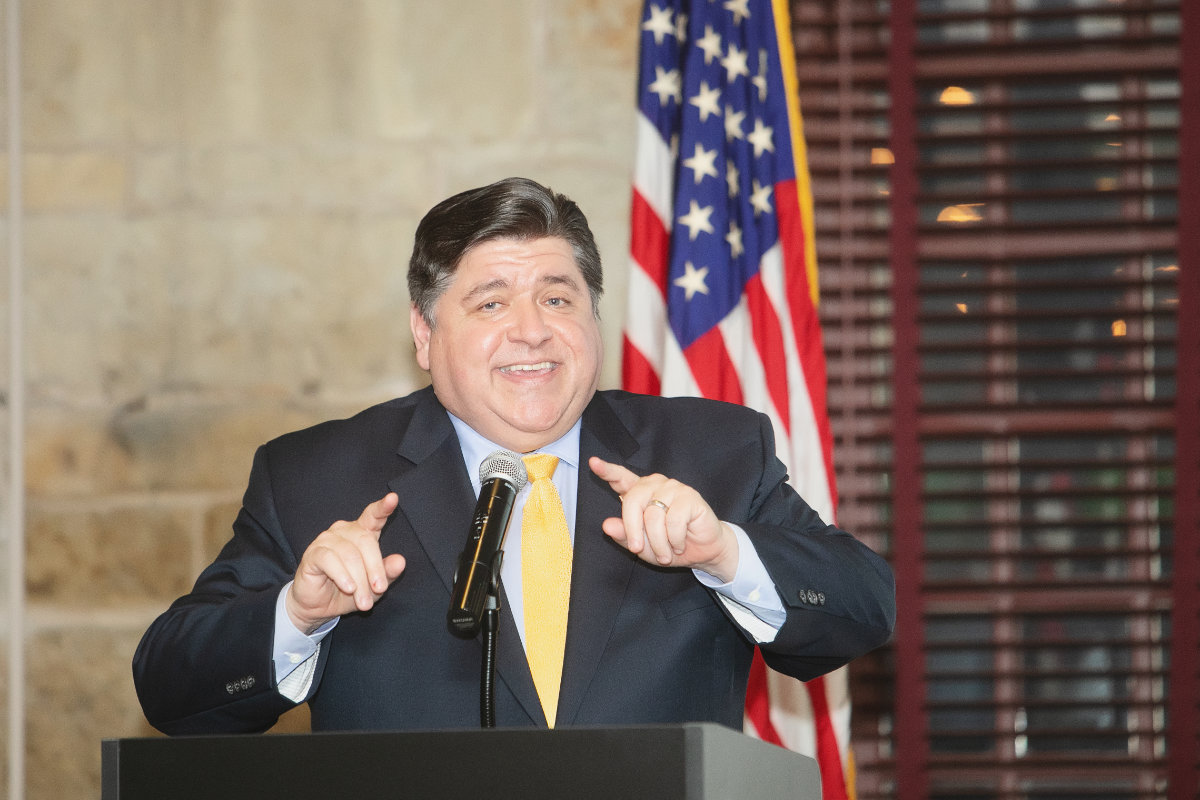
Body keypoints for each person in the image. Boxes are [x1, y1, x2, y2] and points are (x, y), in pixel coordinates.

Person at [133, 177, 895, 735]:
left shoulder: (715, 451)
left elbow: (863, 605)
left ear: (594, 317)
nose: (532, 331)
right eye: (492, 302)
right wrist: (295, 614)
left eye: (558, 299)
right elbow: (170, 686)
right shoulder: (317, 476)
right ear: (425, 335)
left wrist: (725, 552)